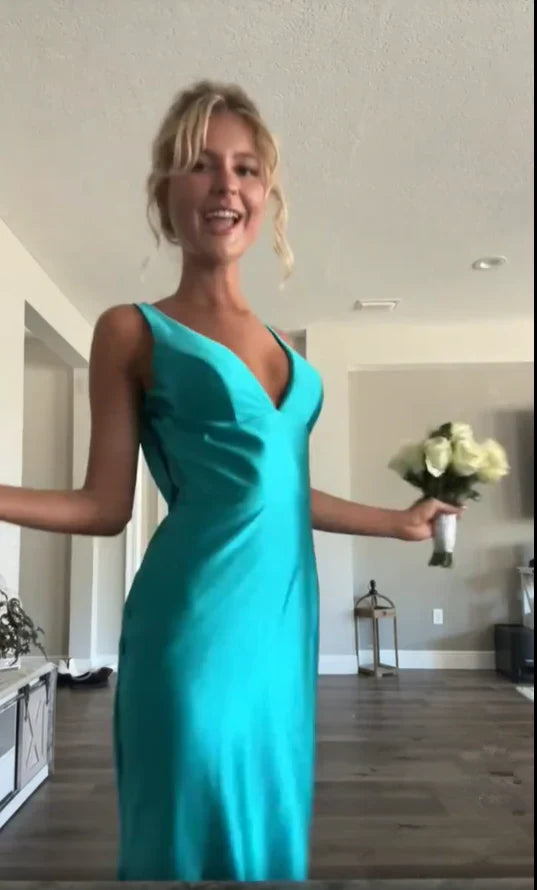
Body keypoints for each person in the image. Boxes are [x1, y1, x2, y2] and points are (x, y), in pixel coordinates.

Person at [0, 81, 460, 881]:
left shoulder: (288, 353)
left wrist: (399, 522)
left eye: (245, 169)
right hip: (193, 623)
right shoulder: (131, 330)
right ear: (163, 192)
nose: (226, 185)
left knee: (265, 834)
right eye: (200, 165)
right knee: (185, 831)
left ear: (266, 193)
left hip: (283, 628)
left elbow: (275, 494)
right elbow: (102, 507)